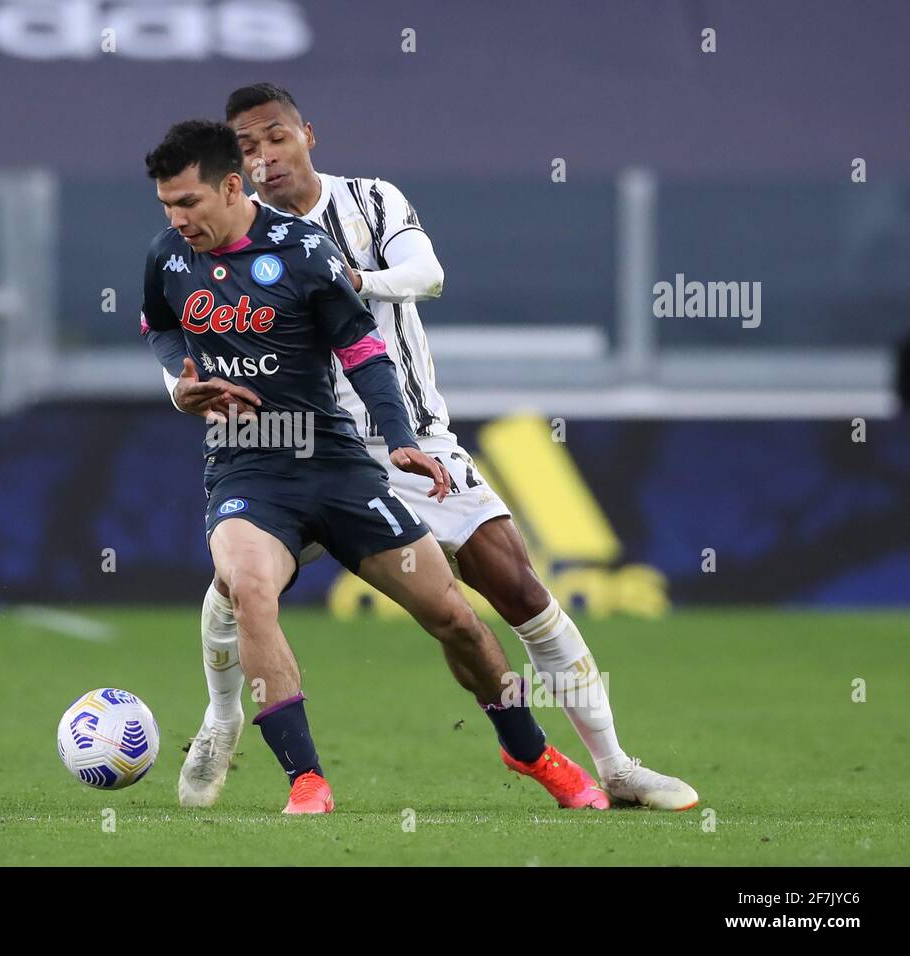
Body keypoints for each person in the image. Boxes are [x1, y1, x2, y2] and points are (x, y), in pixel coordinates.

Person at [172, 84, 697, 813]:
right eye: (249, 148)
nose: (265, 158)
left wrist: (353, 281)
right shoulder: (223, 243)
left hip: (407, 445)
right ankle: (222, 717)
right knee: (236, 587)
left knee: (516, 589)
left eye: (276, 138)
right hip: (295, 453)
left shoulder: (372, 203)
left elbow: (428, 274)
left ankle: (613, 764)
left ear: (308, 136)